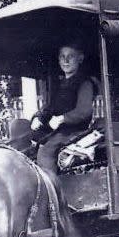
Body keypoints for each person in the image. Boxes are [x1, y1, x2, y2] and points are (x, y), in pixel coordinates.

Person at [31, 42, 96, 175]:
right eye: (62, 56)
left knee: (46, 151)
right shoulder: (59, 84)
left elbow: (84, 111)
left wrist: (63, 119)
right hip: (55, 131)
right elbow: (49, 108)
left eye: (70, 56)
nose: (65, 60)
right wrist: (38, 117)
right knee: (20, 134)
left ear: (80, 59)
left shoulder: (85, 83)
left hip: (74, 132)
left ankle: (50, 191)